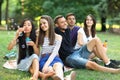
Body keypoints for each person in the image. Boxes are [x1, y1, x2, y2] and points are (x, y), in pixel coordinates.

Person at [54, 15, 120, 73]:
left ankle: (107, 63)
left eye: (65, 21)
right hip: (69, 58)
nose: (65, 23)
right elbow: (49, 30)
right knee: (92, 64)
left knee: (96, 40)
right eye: (62, 22)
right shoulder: (56, 32)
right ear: (56, 25)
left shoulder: (67, 30)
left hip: (76, 52)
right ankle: (115, 71)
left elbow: (71, 25)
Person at [37, 15, 64, 80]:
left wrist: (46, 64)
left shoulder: (58, 37)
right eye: (41, 24)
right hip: (44, 59)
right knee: (49, 69)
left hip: (54, 57)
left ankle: (61, 78)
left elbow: (54, 52)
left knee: (58, 66)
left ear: (49, 23)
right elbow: (39, 52)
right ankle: (65, 78)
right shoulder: (40, 36)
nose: (42, 25)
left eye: (44, 23)